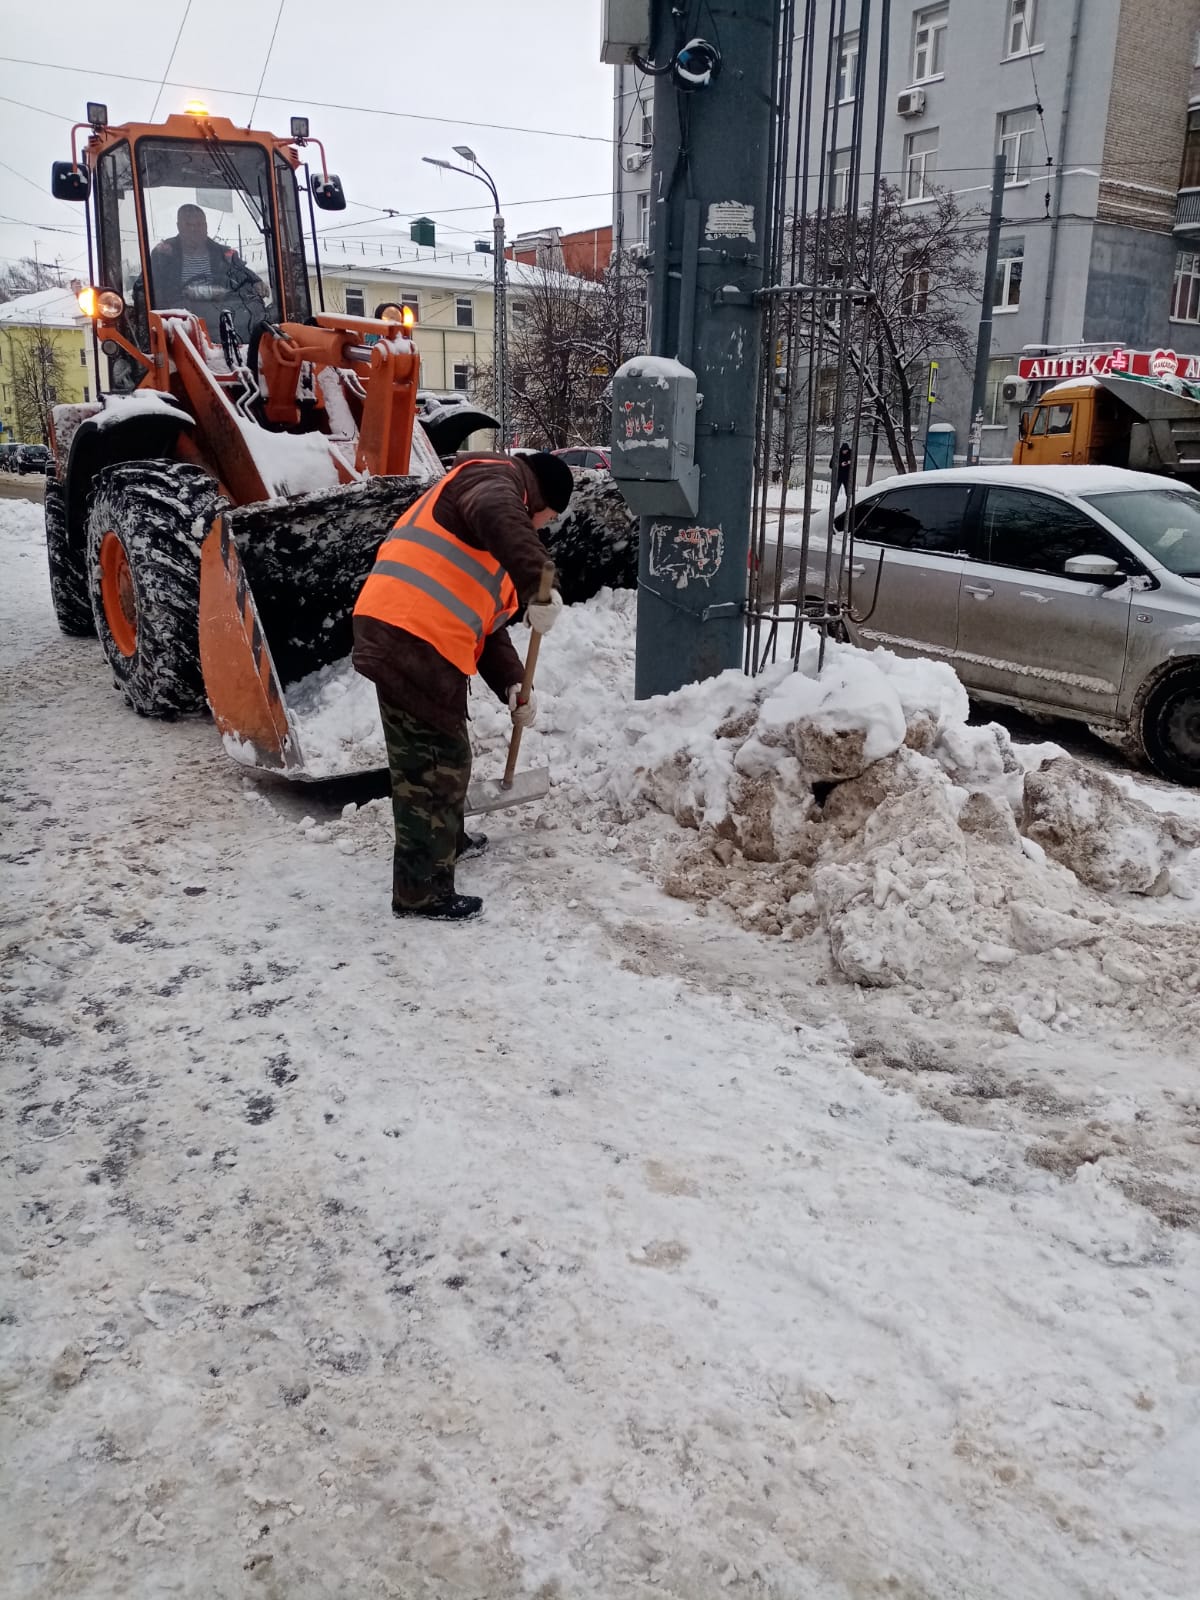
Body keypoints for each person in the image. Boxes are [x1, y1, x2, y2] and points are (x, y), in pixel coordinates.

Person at [352, 451, 573, 922]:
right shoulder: (493, 480)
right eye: (546, 518)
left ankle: (444, 843)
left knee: (445, 757)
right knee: (432, 766)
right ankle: (420, 891)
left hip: (418, 640)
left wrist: (514, 684)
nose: (539, 529)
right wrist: (539, 583)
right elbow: (499, 510)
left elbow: (489, 629)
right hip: (406, 635)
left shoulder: (487, 538)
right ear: (538, 498)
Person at [147, 204, 268, 339]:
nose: (194, 229)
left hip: (219, 320)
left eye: (199, 224)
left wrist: (255, 282)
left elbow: (241, 273)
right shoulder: (163, 255)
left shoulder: (224, 255)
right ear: (179, 226)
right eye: (188, 224)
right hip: (178, 325)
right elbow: (148, 285)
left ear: (206, 226)